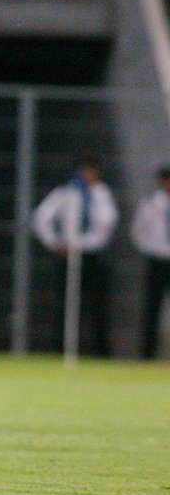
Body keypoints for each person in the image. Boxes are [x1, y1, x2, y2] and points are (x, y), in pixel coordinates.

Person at [32, 154, 119, 357]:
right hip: (68, 257)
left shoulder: (102, 195)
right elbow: (40, 217)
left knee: (97, 306)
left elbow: (107, 224)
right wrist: (55, 243)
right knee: (66, 305)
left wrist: (84, 244)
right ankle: (61, 351)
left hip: (92, 256)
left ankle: (100, 353)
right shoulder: (65, 193)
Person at [131, 165, 170, 360]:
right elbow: (138, 232)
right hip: (157, 260)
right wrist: (151, 249)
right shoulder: (150, 204)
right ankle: (147, 355)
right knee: (152, 309)